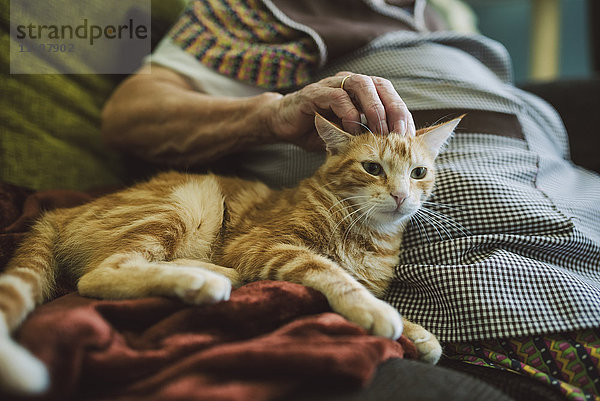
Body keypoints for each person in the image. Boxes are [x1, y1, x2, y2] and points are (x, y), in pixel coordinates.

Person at [102, 1, 600, 399]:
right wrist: (273, 115)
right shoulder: (257, 10)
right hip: (464, 208)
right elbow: (130, 114)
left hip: (568, 184)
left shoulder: (444, 13)